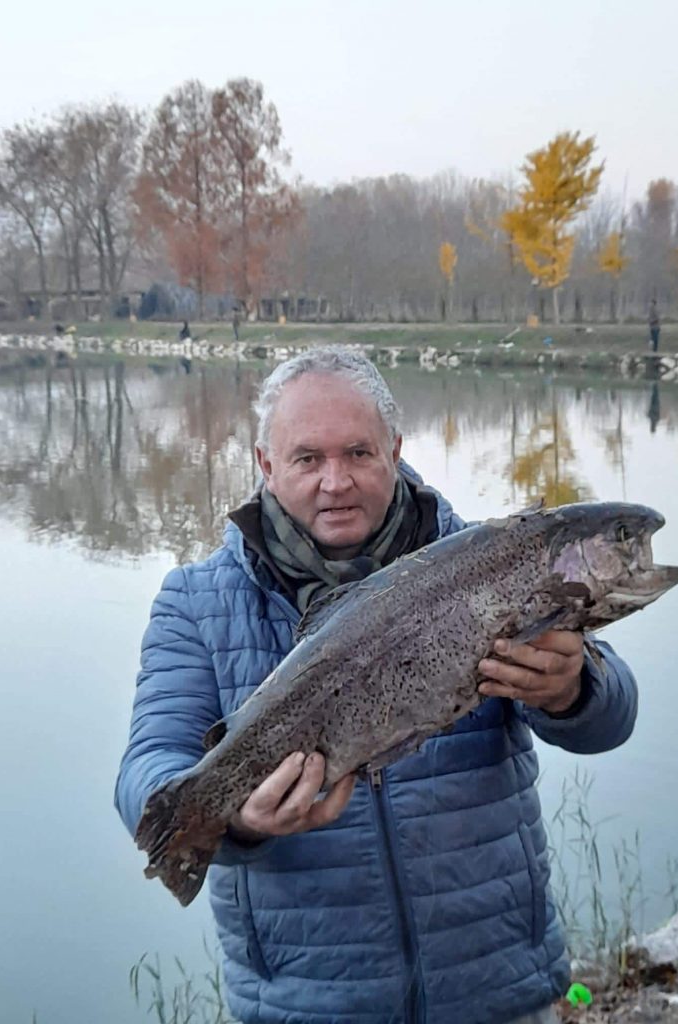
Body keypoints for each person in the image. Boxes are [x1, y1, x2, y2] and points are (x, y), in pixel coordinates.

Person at [115, 346, 638, 1024]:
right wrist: (238, 820)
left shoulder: (493, 560)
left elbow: (614, 717)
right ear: (266, 465)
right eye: (308, 459)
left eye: (358, 453)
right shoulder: (197, 601)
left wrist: (573, 687)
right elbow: (147, 773)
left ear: (394, 448)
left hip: (497, 984)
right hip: (310, 1001)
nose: (336, 482)